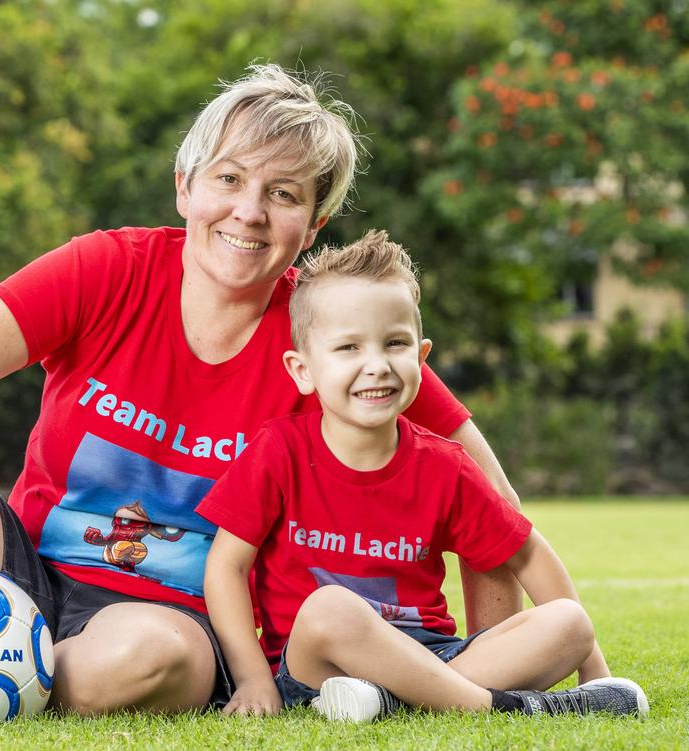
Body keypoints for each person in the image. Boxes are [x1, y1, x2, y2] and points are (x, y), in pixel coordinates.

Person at [0, 64, 523, 741]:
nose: (248, 211)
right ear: (184, 188)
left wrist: (480, 660)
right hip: (20, 570)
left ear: (313, 224)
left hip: (180, 620)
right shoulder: (109, 270)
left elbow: (481, 497)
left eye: (283, 194)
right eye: (229, 180)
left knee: (151, 658)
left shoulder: (330, 334)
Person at [199, 230, 648, 721]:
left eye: (395, 344)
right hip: (314, 666)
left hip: (439, 654)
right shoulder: (278, 450)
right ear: (302, 369)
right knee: (331, 606)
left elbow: (530, 555)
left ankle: (395, 702)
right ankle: (494, 707)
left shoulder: (445, 465)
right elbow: (226, 567)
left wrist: (595, 671)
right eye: (348, 347)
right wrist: (251, 679)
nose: (376, 366)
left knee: (568, 621)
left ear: (421, 357)